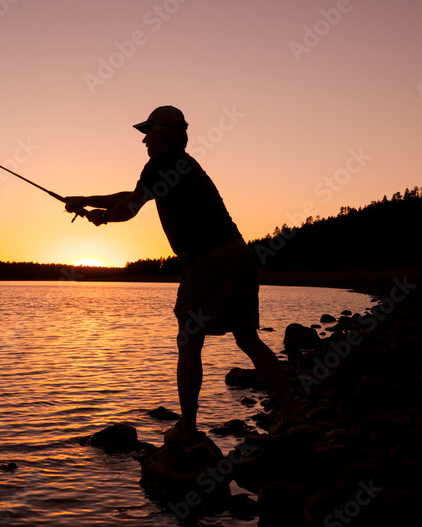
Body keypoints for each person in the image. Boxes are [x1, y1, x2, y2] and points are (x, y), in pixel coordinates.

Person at [65, 105, 299, 444]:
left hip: (207, 260)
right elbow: (132, 196)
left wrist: (102, 217)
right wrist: (85, 200)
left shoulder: (160, 164)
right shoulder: (182, 166)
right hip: (239, 255)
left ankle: (187, 430)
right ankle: (292, 414)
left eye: (148, 131)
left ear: (163, 132)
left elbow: (129, 208)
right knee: (248, 339)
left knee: (189, 342)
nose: (143, 139)